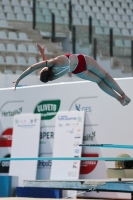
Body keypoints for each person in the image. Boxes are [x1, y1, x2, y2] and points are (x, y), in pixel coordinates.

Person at [13, 43, 131, 106]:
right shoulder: (53, 62)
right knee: (105, 76)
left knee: (99, 81)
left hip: (78, 71)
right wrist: (19, 79)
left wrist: (42, 54)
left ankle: (119, 100)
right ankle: (123, 95)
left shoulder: (53, 76)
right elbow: (32, 67)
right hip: (82, 61)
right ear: (44, 70)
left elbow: (45, 67)